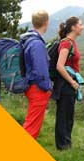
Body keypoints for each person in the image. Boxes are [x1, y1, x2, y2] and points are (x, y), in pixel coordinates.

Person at [52, 16, 84, 150]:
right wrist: (72, 82)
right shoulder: (66, 43)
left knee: (68, 116)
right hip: (65, 85)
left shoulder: (72, 42)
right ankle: (62, 146)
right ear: (73, 27)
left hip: (68, 85)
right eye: (80, 24)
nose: (83, 27)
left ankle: (66, 144)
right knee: (64, 116)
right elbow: (60, 66)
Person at [21, 10, 52, 139]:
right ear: (46, 23)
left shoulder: (28, 39)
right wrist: (47, 87)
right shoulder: (37, 43)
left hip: (30, 86)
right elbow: (40, 71)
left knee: (31, 123)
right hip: (37, 89)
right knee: (31, 128)